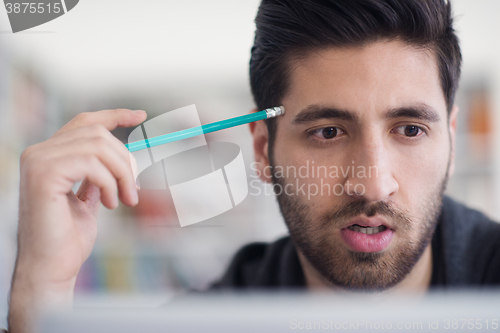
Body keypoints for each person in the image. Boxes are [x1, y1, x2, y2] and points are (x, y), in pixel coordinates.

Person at [5, 0, 500, 332]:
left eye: (410, 130)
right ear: (263, 151)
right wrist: (41, 292)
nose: (373, 183)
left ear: (452, 141)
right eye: (327, 131)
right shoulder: (215, 321)